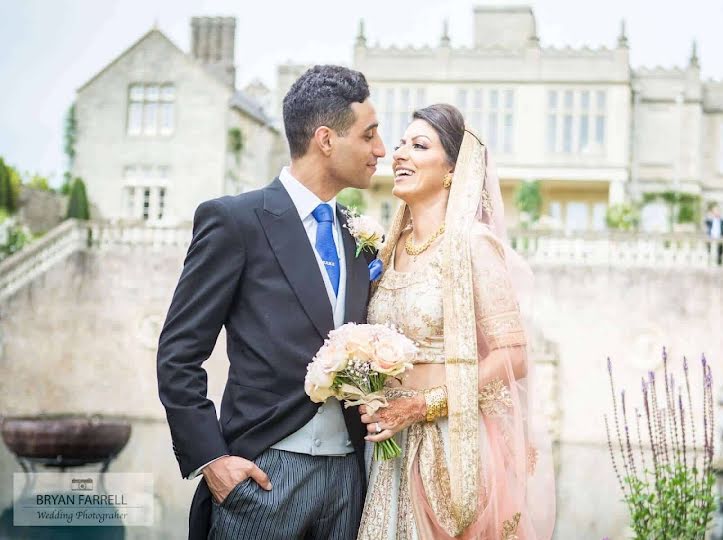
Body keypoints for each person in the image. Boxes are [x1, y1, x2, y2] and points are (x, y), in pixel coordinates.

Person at [156, 65, 385, 540]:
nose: (380, 149)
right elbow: (178, 354)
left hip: (348, 479)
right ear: (326, 139)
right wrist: (212, 460)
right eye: (369, 135)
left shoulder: (357, 234)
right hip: (263, 477)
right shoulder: (235, 221)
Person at [357, 104, 555, 539]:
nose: (400, 154)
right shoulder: (387, 252)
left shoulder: (472, 245)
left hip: (450, 444)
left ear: (453, 169)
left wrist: (426, 405)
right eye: (402, 143)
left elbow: (514, 355)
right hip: (388, 450)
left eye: (419, 145)